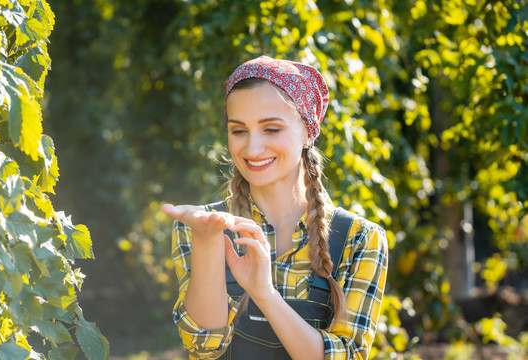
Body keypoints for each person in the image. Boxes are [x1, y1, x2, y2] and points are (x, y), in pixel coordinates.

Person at [162, 55, 388, 360]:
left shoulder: (359, 239)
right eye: (238, 130)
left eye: (271, 129)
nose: (253, 148)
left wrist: (264, 294)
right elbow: (204, 348)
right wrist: (205, 240)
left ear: (309, 131)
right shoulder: (202, 226)